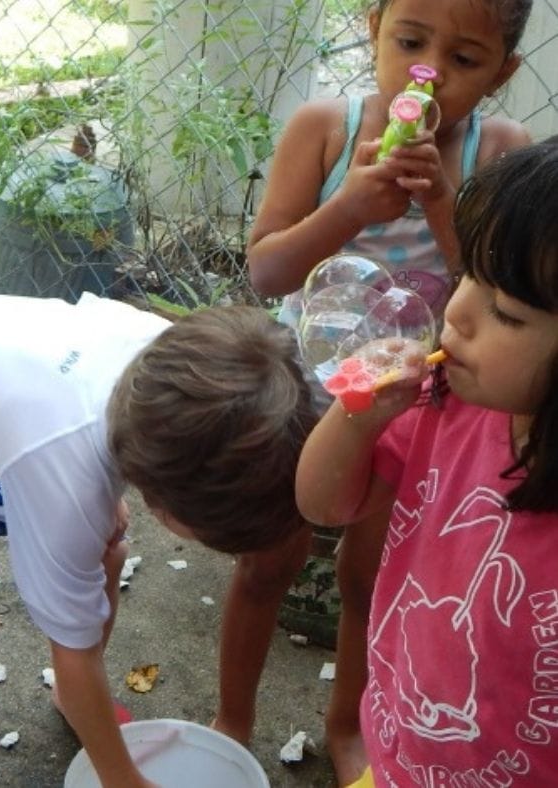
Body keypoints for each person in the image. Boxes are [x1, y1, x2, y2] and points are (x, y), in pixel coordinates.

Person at [240, 0, 532, 780]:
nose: (427, 73)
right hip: (306, 387)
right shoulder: (324, 128)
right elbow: (266, 269)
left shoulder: (500, 150)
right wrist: (349, 208)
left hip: (417, 402)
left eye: (465, 61)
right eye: (409, 42)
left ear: (502, 73)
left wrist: (441, 200)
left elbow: (496, 286)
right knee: (269, 558)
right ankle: (230, 722)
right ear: (373, 29)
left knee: (373, 573)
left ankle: (350, 723)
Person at [0, 295, 317, 788]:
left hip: (14, 414)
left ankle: (74, 696)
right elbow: (70, 637)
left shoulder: (183, 367)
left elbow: (65, 458)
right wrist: (124, 779)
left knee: (105, 550)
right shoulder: (65, 481)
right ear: (161, 504)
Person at [295, 139, 558, 785]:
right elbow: (323, 504)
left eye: (507, 312)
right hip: (396, 758)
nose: (458, 313)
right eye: (469, 273)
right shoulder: (449, 406)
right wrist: (360, 414)